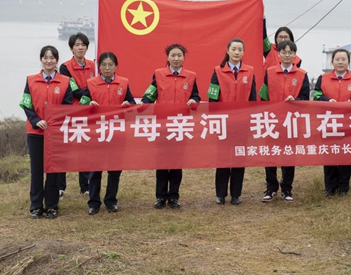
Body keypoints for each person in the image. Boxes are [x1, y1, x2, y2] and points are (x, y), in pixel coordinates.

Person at [139, 44, 201, 209]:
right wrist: (141, 104)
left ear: (183, 57)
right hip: (162, 125)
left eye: (179, 55)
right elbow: (150, 95)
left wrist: (194, 101)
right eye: (173, 55)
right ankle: (160, 196)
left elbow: (196, 96)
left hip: (181, 125)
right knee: (161, 161)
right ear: (167, 57)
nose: (176, 59)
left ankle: (174, 196)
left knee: (176, 162)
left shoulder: (191, 76)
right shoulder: (159, 74)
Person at [19, 45, 73, 219]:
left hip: (55, 134)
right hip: (35, 133)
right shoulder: (31, 80)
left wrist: (54, 122)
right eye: (45, 57)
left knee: (53, 171)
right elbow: (26, 104)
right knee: (37, 170)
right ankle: (36, 206)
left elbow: (68, 107)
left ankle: (51, 206)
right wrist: (36, 121)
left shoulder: (65, 81)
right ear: (41, 59)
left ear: (57, 60)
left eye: (52, 58)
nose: (49, 61)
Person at [79, 52, 135, 215]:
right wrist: (89, 103)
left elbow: (132, 103)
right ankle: (94, 202)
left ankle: (111, 200)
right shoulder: (91, 83)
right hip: (97, 133)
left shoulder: (123, 83)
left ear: (116, 66)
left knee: (115, 169)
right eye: (104, 65)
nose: (107, 68)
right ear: (99, 67)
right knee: (95, 169)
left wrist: (127, 104)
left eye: (110, 64)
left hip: (117, 132)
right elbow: (82, 104)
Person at [207, 38, 257, 205]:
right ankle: (220, 194)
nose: (237, 52)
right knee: (223, 159)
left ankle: (236, 194)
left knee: (238, 158)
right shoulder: (217, 71)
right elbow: (212, 97)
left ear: (243, 52)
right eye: (234, 49)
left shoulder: (249, 72)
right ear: (227, 51)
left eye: (240, 49)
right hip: (223, 123)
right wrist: (215, 119)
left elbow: (252, 99)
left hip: (242, 124)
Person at [259, 40, 310, 202]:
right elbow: (263, 96)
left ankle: (287, 189)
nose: (287, 55)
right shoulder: (269, 72)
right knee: (271, 155)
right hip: (272, 121)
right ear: (278, 54)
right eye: (284, 52)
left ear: (295, 55)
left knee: (289, 156)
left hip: (291, 122)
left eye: (290, 52)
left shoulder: (302, 74)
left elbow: (305, 99)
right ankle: (271, 188)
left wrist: (295, 100)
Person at [314, 48, 351, 197]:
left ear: (348, 62)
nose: (340, 62)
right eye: (337, 59)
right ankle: (330, 188)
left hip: (348, 124)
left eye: (344, 59)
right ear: (332, 62)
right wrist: (326, 100)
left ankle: (343, 187)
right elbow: (317, 95)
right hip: (328, 123)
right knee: (329, 154)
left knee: (346, 154)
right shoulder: (322, 78)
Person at [58, 32, 96, 197]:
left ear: (87, 47)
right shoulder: (65, 67)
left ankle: (85, 185)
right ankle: (60, 186)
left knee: (86, 149)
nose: (80, 48)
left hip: (90, 112)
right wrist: (91, 92)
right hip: (72, 113)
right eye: (77, 45)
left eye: (83, 45)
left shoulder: (94, 65)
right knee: (65, 150)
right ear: (72, 48)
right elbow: (73, 91)